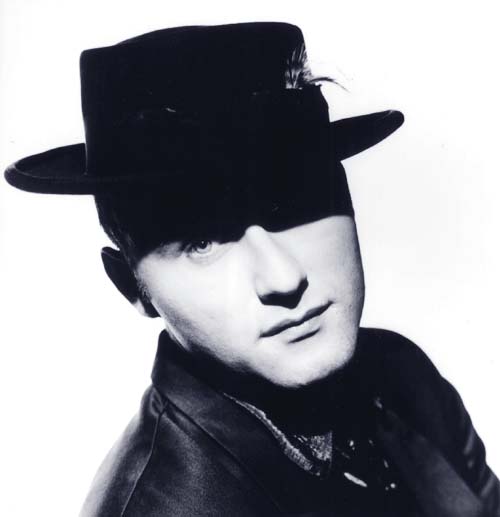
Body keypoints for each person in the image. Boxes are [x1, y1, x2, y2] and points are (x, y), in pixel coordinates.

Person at [5, 22, 500, 517]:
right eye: (202, 243)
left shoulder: (402, 373)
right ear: (132, 287)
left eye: (295, 202)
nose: (283, 279)